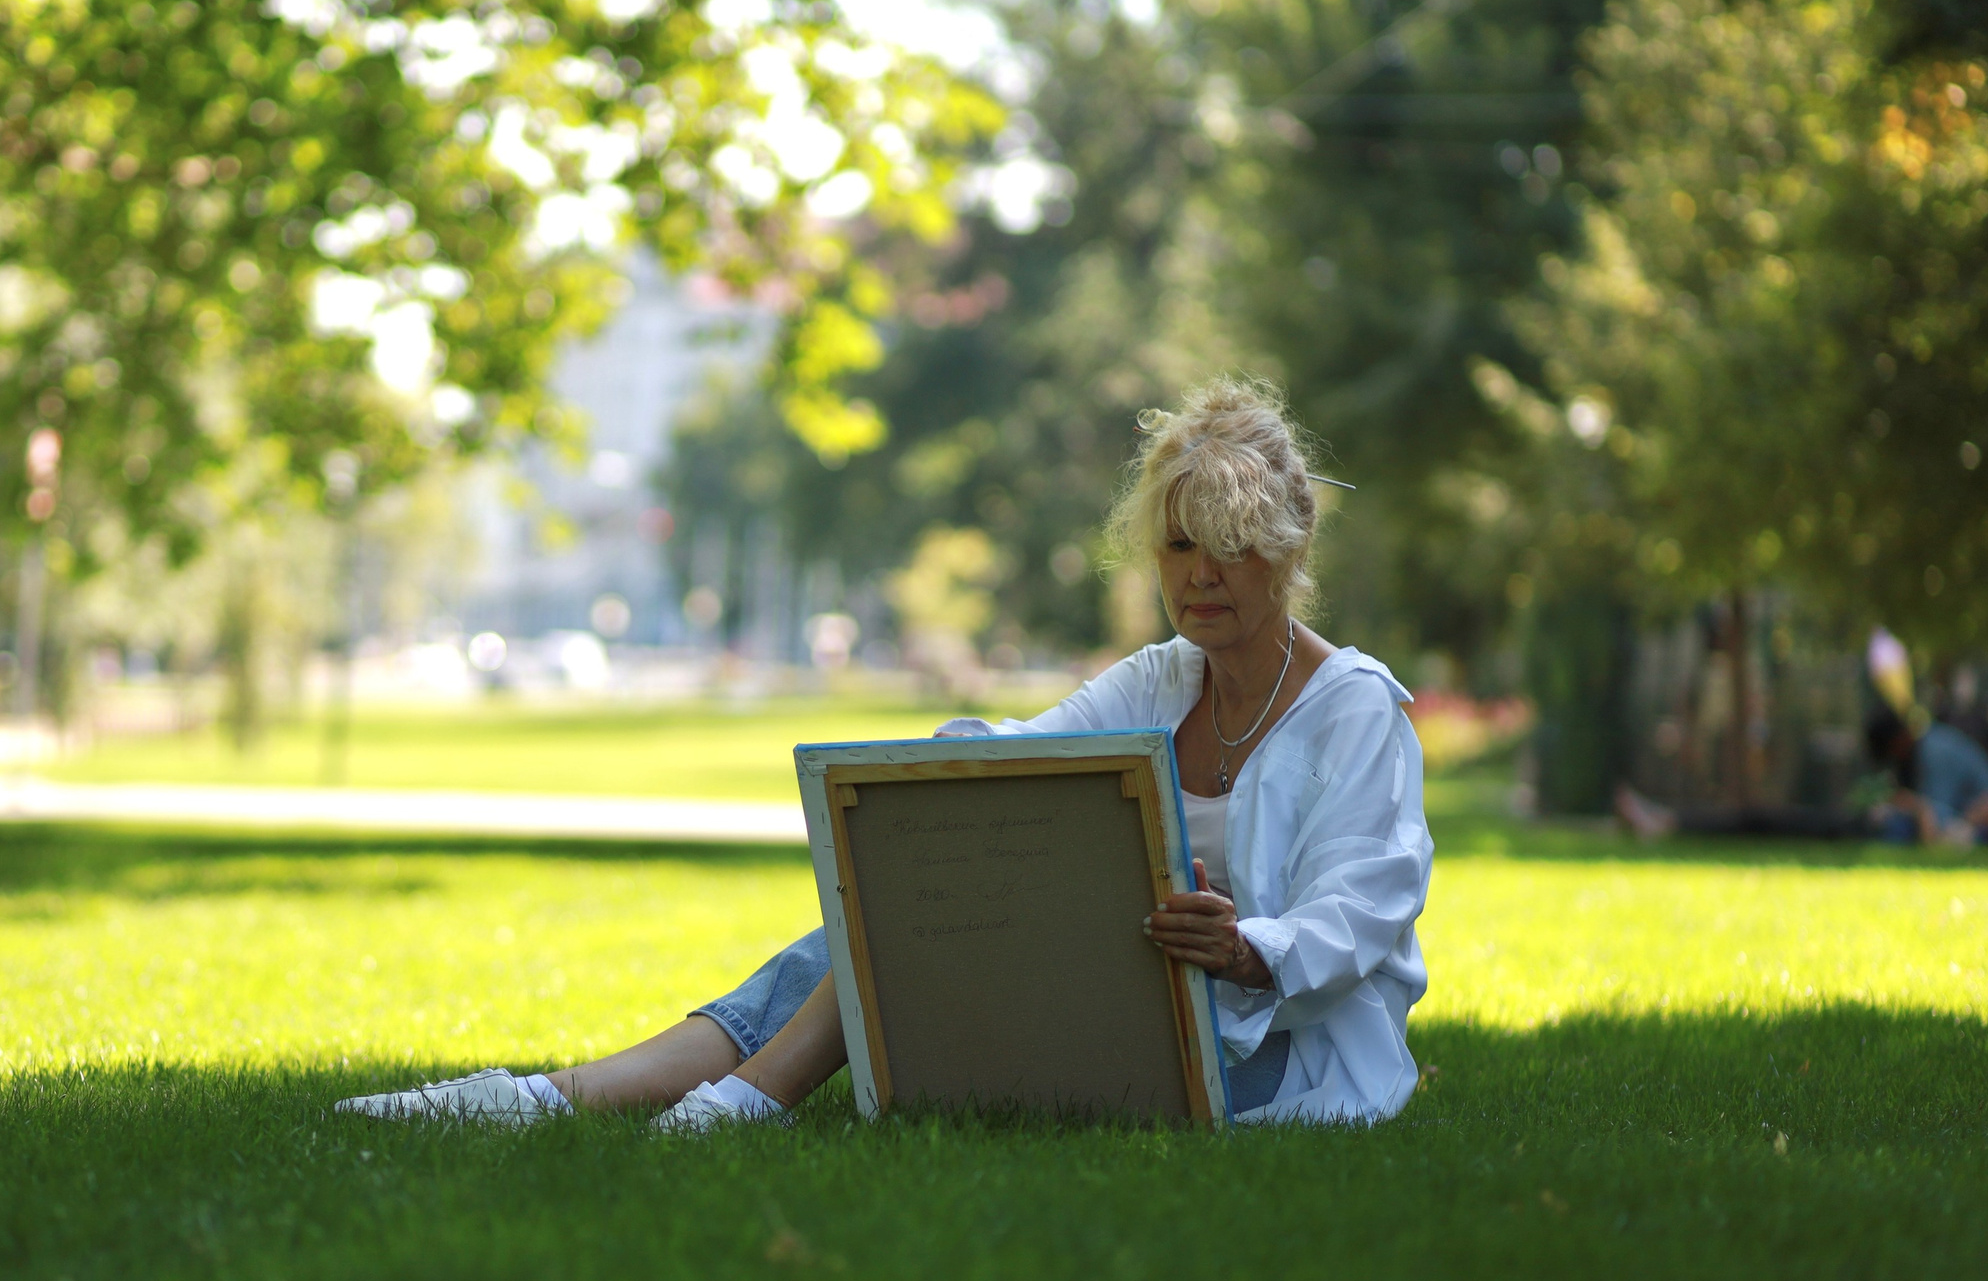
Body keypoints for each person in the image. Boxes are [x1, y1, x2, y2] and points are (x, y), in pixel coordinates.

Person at [338, 378, 1433, 1130]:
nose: (1198, 574)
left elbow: (1367, 911)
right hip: (1115, 1004)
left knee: (891, 928)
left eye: (1229, 547)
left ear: (1285, 550)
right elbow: (1025, 761)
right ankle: (556, 1099)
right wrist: (944, 793)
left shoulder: (1352, 709)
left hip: (1270, 1047)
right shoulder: (1160, 681)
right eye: (1178, 544)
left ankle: (726, 1106)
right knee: (875, 913)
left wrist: (1249, 947)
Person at [1865, 704, 1988, 847]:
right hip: (1965, 819)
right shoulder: (1924, 748)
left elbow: (1937, 820)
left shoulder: (1934, 752)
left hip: (1985, 822)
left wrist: (1912, 804)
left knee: (1899, 828)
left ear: (1899, 739)